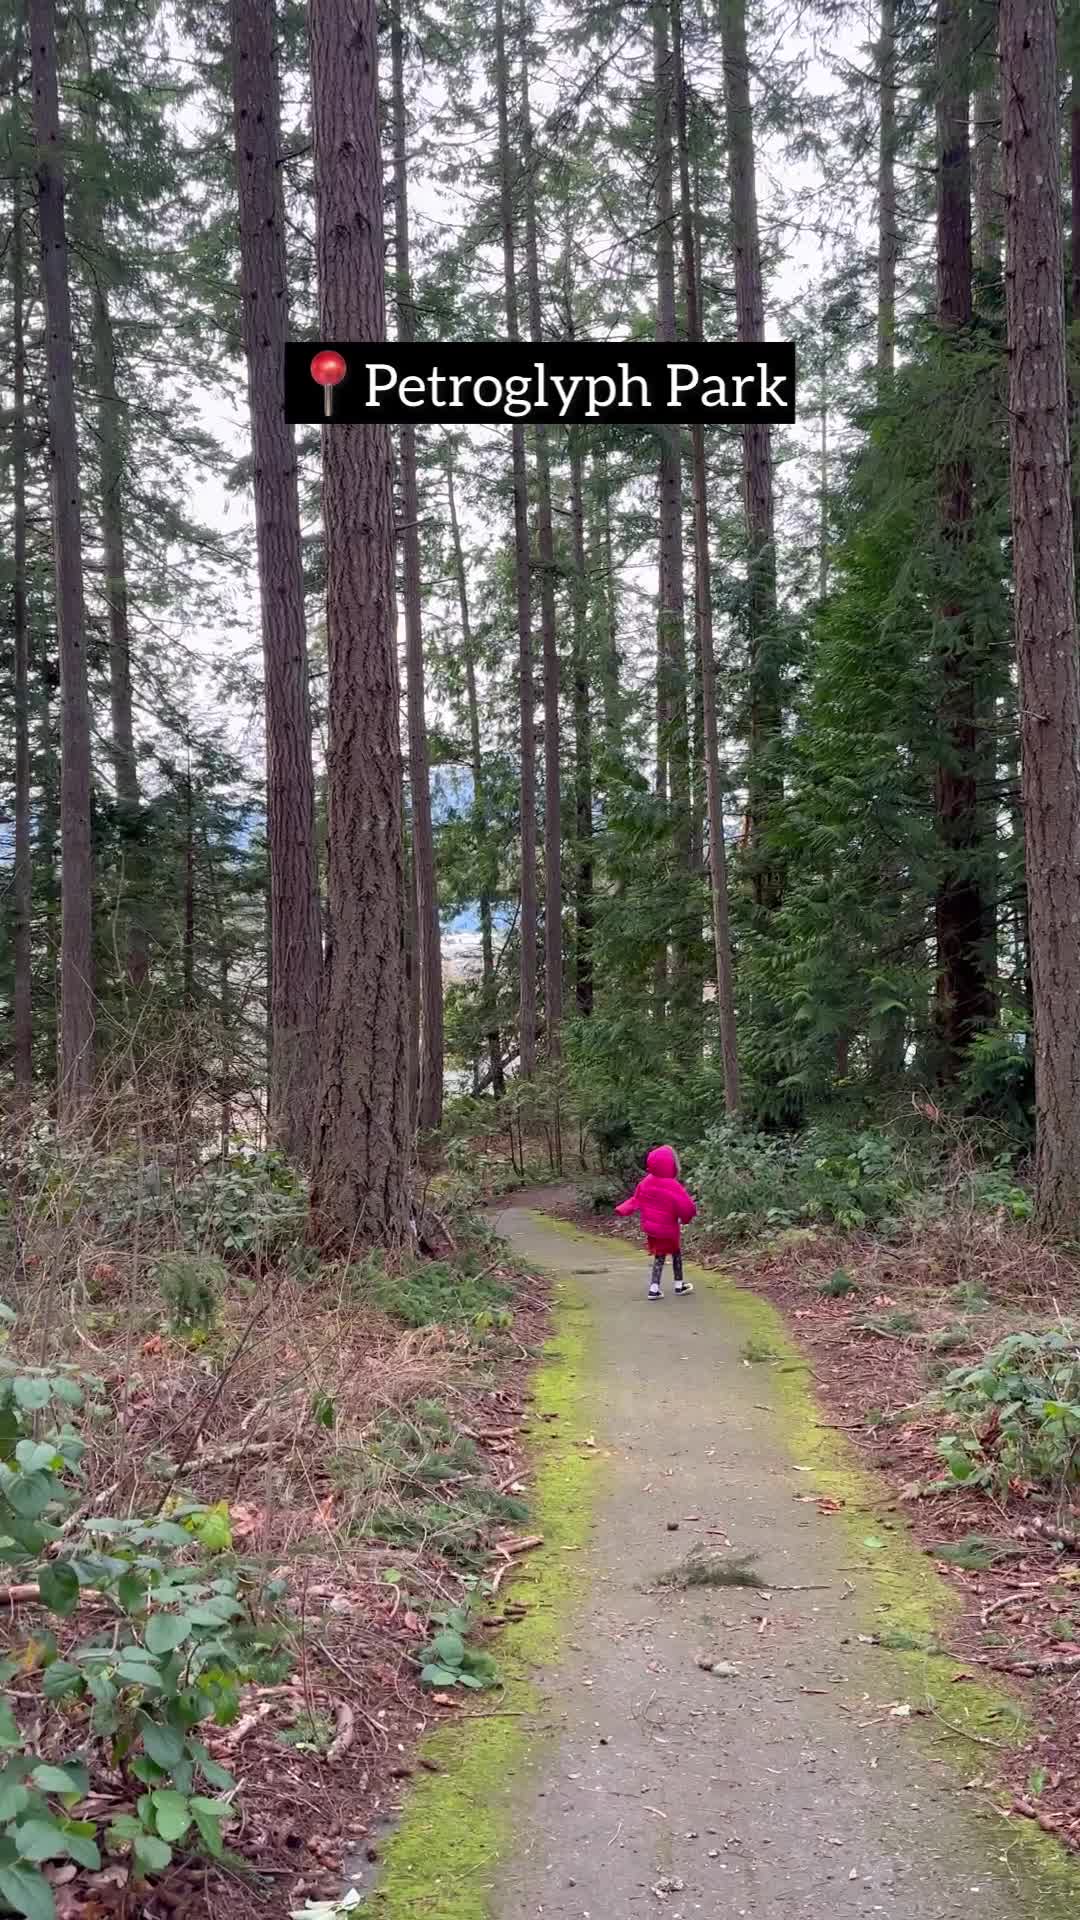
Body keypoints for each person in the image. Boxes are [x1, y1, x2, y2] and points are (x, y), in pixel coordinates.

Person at [615, 1145, 696, 1299]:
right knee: (675, 1253)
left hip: (651, 1227)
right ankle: (675, 1286)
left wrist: (623, 1209)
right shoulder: (673, 1186)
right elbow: (686, 1206)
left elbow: (636, 1199)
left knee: (659, 1255)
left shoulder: (646, 1182)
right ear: (671, 1164)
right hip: (669, 1228)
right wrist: (686, 1218)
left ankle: (656, 1287)